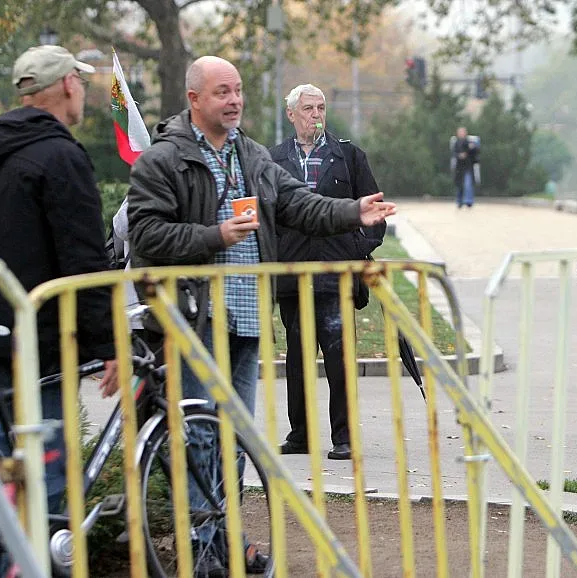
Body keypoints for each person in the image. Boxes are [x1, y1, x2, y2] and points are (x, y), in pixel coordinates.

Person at [127, 56, 395, 573]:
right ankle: (200, 547)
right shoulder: (165, 160)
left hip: (247, 321)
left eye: (239, 91)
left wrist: (351, 211)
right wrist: (213, 236)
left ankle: (224, 540)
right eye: (222, 92)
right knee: (201, 435)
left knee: (235, 436)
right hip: (193, 319)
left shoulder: (250, 155)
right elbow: (146, 235)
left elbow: (298, 204)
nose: (234, 101)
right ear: (195, 100)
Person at [0, 45, 119, 577]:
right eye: (81, 81)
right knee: (45, 483)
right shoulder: (61, 156)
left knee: (6, 462)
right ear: (68, 85)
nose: (85, 92)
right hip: (46, 337)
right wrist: (110, 345)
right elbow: (84, 261)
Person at [269, 84, 385, 461]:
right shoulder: (273, 160)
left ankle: (344, 437)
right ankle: (300, 434)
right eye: (307, 108)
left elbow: (375, 214)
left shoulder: (349, 156)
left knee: (339, 358)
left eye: (320, 107)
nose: (316, 114)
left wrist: (356, 250)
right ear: (291, 114)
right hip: (292, 275)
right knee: (298, 359)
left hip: (337, 275)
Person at [450, 126, 480, 208]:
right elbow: (454, 153)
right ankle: (459, 201)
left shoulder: (470, 142)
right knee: (459, 185)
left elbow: (476, 152)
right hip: (459, 167)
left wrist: (472, 148)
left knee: (468, 184)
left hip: (468, 166)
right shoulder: (456, 143)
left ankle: (468, 201)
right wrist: (459, 155)